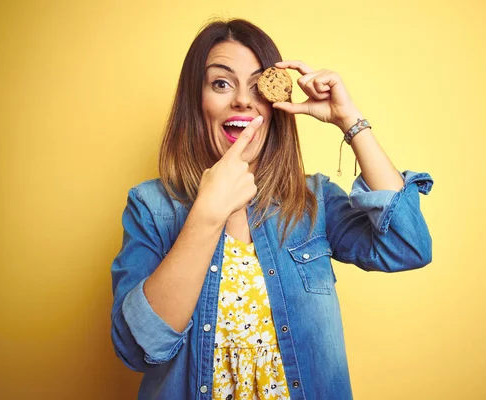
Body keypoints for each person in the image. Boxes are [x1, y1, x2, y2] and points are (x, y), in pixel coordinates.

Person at [110, 18, 434, 400]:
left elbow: (408, 245)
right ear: (195, 101)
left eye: (256, 86)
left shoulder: (312, 200)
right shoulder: (151, 207)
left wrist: (350, 121)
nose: (243, 101)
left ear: (274, 102)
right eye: (221, 83)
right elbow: (136, 349)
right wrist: (206, 215)